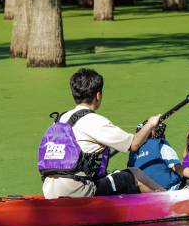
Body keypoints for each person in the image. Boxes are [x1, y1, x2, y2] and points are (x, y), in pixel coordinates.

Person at [39, 68, 165, 199]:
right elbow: (133, 144)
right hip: (78, 191)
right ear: (98, 95)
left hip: (49, 190)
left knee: (108, 175)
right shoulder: (95, 121)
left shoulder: (60, 119)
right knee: (134, 174)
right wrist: (150, 124)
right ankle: (169, 199)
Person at [127, 122, 189, 190]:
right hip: (170, 188)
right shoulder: (161, 145)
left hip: (146, 190)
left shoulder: (132, 152)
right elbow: (178, 168)